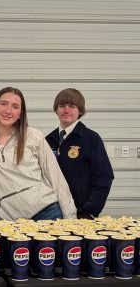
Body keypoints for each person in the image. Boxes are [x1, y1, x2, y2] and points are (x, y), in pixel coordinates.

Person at [0, 87, 76, 221]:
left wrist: (70, 219)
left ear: (20, 113)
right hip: (8, 220)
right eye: (4, 104)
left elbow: (56, 179)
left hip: (47, 212)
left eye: (15, 107)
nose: (8, 111)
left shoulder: (33, 136)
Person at [45, 88, 114, 219]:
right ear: (56, 110)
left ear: (80, 111)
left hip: (81, 214)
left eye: (72, 106)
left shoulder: (91, 139)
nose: (66, 110)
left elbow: (104, 177)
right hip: (52, 213)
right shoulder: (48, 140)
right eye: (62, 106)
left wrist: (90, 210)